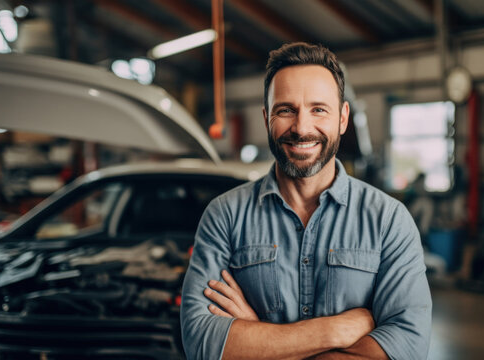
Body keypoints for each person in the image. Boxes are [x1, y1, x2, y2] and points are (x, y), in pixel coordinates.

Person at [180, 42, 431, 360]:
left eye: (318, 109)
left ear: (342, 118)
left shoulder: (389, 220)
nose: (301, 128)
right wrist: (334, 331)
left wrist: (255, 335)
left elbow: (408, 347)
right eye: (285, 110)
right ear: (266, 117)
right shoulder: (224, 216)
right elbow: (202, 344)